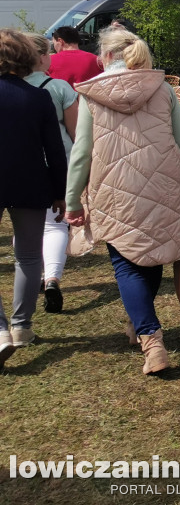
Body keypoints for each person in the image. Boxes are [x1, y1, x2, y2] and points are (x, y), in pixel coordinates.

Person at [64, 28, 180, 374]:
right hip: (164, 183)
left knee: (127, 262)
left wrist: (72, 200)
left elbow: (81, 153)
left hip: (112, 189)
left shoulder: (90, 95)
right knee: (151, 258)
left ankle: (150, 338)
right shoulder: (163, 89)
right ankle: (140, 324)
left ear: (105, 56)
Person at [0, 29, 67, 365]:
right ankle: (21, 326)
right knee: (27, 256)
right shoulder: (38, 97)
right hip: (30, 181)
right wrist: (60, 192)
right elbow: (54, 151)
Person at [23, 34, 79, 313]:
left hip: (23, 166)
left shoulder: (10, 87)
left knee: (25, 227)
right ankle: (52, 277)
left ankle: (33, 277)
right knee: (56, 225)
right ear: (43, 57)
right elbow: (76, 133)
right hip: (60, 162)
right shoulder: (58, 88)